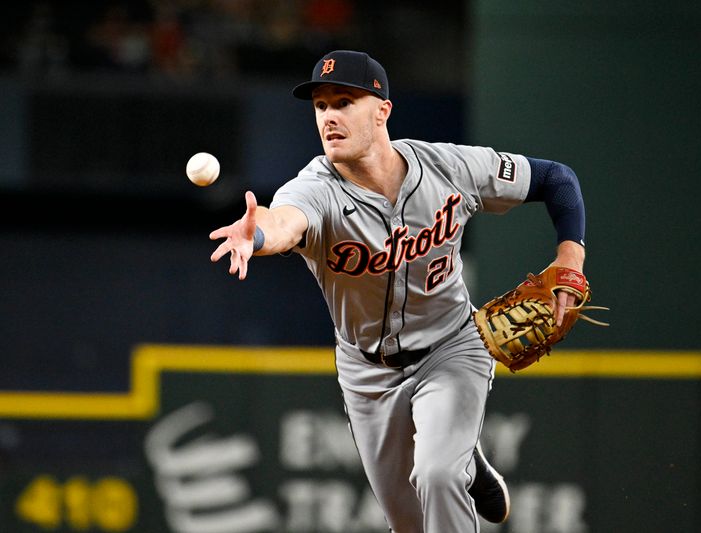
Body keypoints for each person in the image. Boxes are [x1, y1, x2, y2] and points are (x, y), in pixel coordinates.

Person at [210, 50, 587, 532]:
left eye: (344, 101)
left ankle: (456, 460)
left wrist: (569, 259)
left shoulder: (449, 167)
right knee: (408, 524)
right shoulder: (315, 189)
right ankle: (466, 457)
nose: (329, 117)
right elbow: (283, 221)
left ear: (382, 110)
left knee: (436, 474)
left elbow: (557, 180)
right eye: (321, 106)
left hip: (452, 348)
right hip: (368, 373)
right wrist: (256, 234)